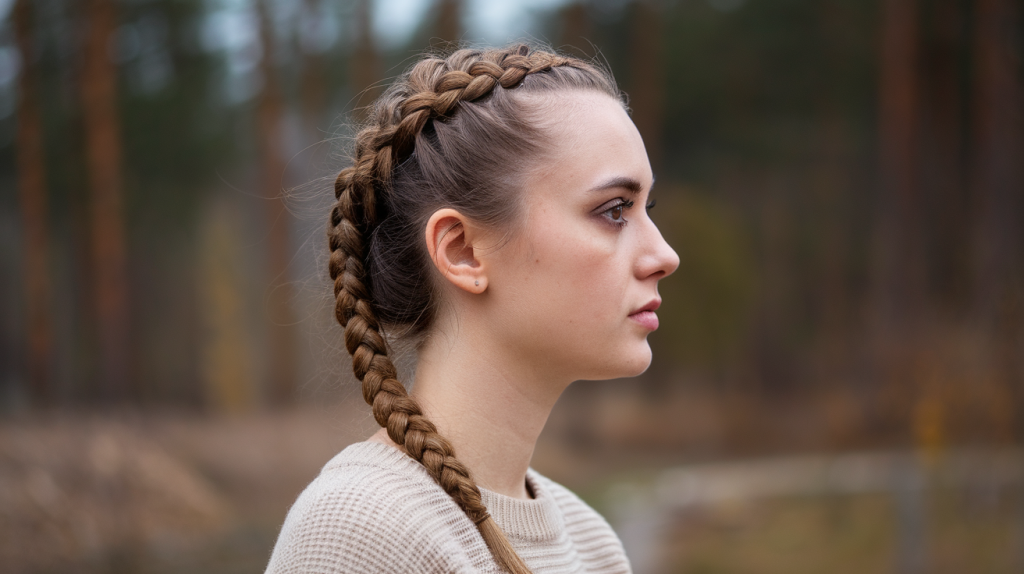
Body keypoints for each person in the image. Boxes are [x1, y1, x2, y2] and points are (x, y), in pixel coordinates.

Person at [265, 43, 679, 574]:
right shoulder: (359, 531)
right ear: (461, 250)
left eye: (648, 208)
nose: (664, 255)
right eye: (615, 210)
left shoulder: (589, 541)